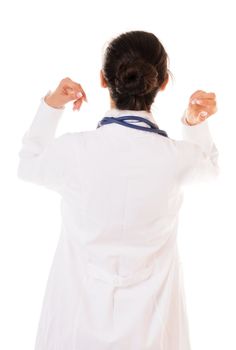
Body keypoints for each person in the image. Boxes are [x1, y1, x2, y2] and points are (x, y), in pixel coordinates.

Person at [17, 30, 219, 350]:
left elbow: (28, 164)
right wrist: (194, 123)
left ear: (102, 79)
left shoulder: (74, 151)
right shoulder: (176, 158)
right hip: (153, 335)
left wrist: (51, 106)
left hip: (72, 333)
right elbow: (209, 170)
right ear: (164, 83)